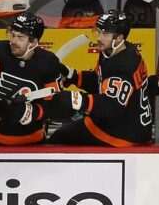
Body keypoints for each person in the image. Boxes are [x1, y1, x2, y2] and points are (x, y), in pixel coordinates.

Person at [49, 8, 152, 146]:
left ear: (119, 37)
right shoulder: (114, 50)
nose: (99, 38)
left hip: (123, 134)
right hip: (125, 124)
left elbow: (112, 108)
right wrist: (73, 76)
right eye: (99, 32)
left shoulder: (124, 65)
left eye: (105, 34)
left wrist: (78, 100)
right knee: (69, 125)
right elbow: (100, 81)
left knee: (60, 137)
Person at [0, 12, 63, 144]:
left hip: (32, 140)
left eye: (20, 37)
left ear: (33, 42)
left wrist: (34, 112)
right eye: (12, 35)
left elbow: (55, 104)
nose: (13, 41)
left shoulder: (49, 62)